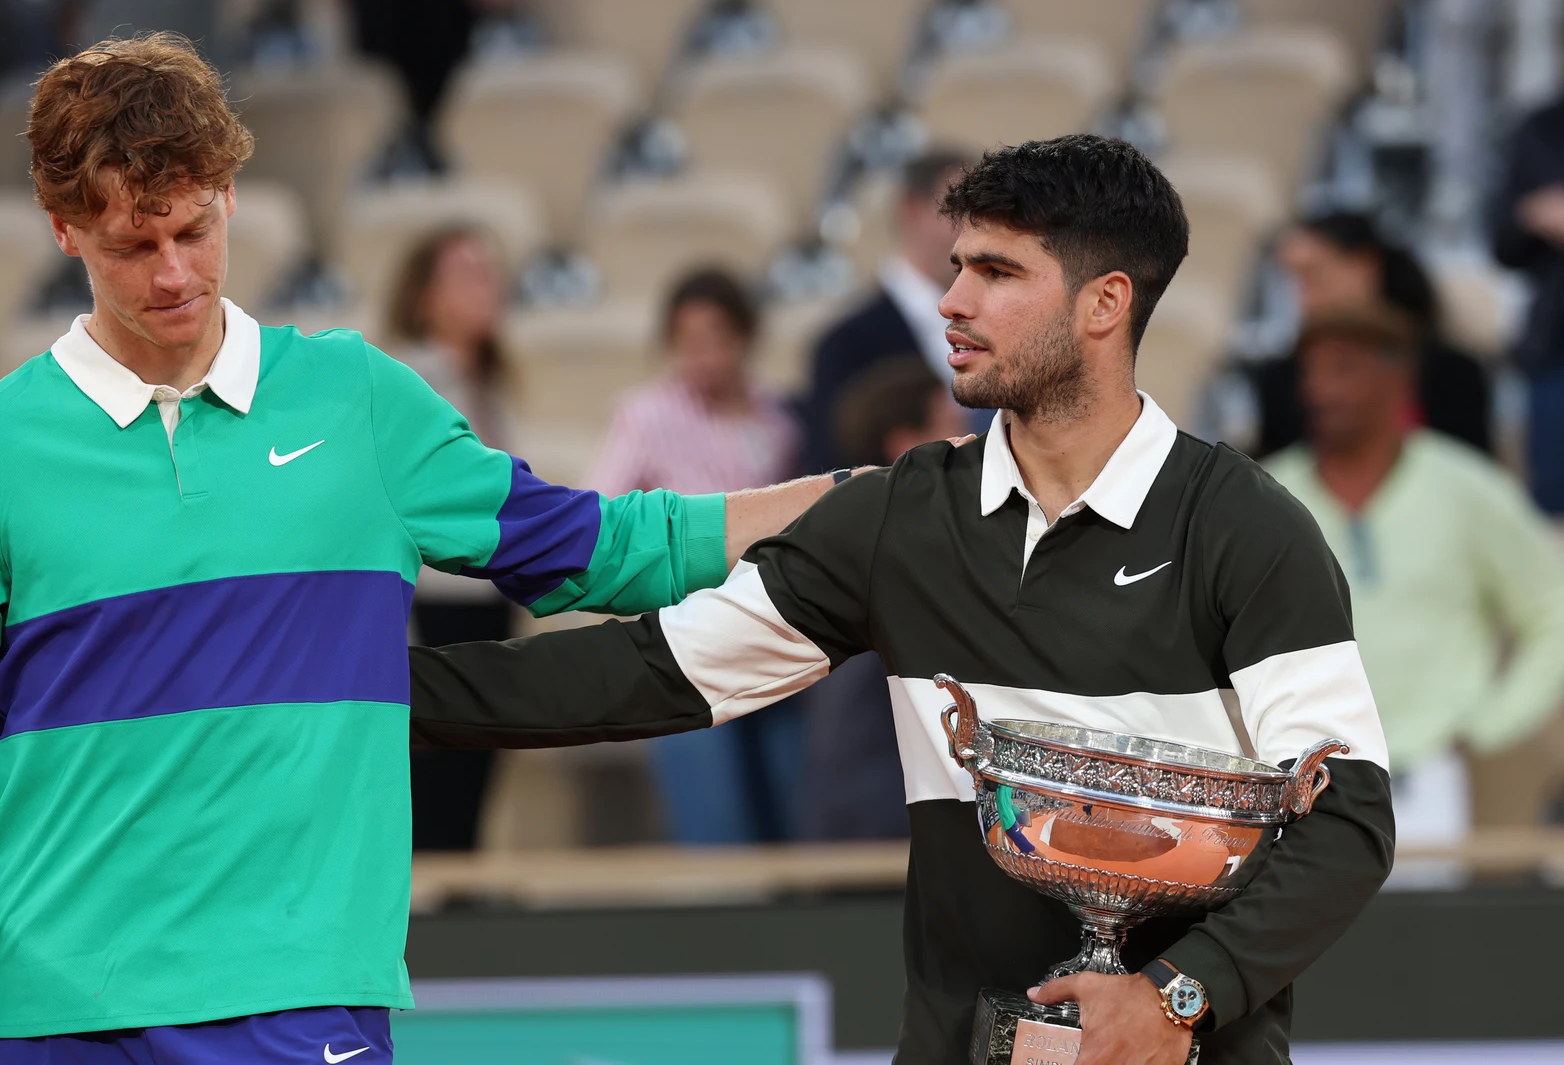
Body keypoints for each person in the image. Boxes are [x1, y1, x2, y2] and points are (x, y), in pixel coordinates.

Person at [0, 34, 844, 1065]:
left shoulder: (359, 401)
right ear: (62, 230)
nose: (174, 273)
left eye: (191, 229)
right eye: (132, 247)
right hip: (49, 1021)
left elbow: (610, 547)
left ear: (229, 195)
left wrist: (860, 502)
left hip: (304, 1007)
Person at [410, 135, 1395, 1065]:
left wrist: (1179, 992)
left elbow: (1346, 819)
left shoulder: (1248, 529)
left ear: (1104, 305)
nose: (950, 301)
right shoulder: (897, 518)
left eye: (997, 273)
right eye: (954, 266)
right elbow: (644, 673)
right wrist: (350, 682)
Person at [1261, 306, 1564, 874]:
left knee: (1414, 953)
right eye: (1311, 372)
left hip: (1424, 782)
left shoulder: (1464, 487)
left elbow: (1553, 609)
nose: (1320, 389)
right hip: (1290, 788)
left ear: (1396, 381)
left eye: (1343, 370)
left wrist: (1490, 721)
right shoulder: (1266, 494)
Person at [589, 267, 804, 843]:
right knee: (713, 822)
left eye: (716, 338)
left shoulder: (778, 418)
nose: (702, 356)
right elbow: (602, 514)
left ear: (743, 337)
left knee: (788, 808)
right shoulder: (645, 414)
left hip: (776, 630)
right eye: (687, 341)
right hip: (688, 635)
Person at [798, 358, 969, 841]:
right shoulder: (895, 552)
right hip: (879, 834)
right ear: (906, 444)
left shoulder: (868, 538)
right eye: (951, 426)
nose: (972, 443)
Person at [385, 224, 516, 851]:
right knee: (428, 796)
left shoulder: (490, 382)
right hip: (431, 608)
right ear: (425, 296)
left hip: (489, 604)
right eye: (467, 274)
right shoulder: (409, 382)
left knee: (474, 790)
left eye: (490, 273)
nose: (487, 288)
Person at [1253, 212, 1492, 456]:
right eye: (1290, 281)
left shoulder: (1453, 375)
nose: (1303, 298)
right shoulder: (1279, 382)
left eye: (1313, 275)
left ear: (1366, 266)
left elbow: (1474, 473)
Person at [800, 149, 973, 474]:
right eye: (959, 210)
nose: (974, 226)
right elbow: (833, 474)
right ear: (911, 211)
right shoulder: (845, 345)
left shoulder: (1009, 322)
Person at [1494, 97, 1564, 516]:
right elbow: (1503, 243)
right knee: (1552, 509)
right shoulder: (1544, 127)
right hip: (1556, 342)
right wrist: (1533, 215)